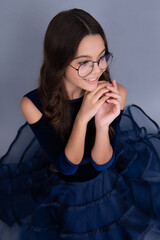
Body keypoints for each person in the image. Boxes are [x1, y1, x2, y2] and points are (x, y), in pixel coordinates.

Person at [0, 8, 160, 240]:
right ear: (59, 61)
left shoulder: (115, 93)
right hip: (62, 189)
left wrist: (103, 124)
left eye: (102, 58)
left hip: (102, 185)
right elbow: (67, 167)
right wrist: (83, 117)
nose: (97, 71)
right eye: (84, 63)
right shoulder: (32, 103)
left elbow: (102, 164)